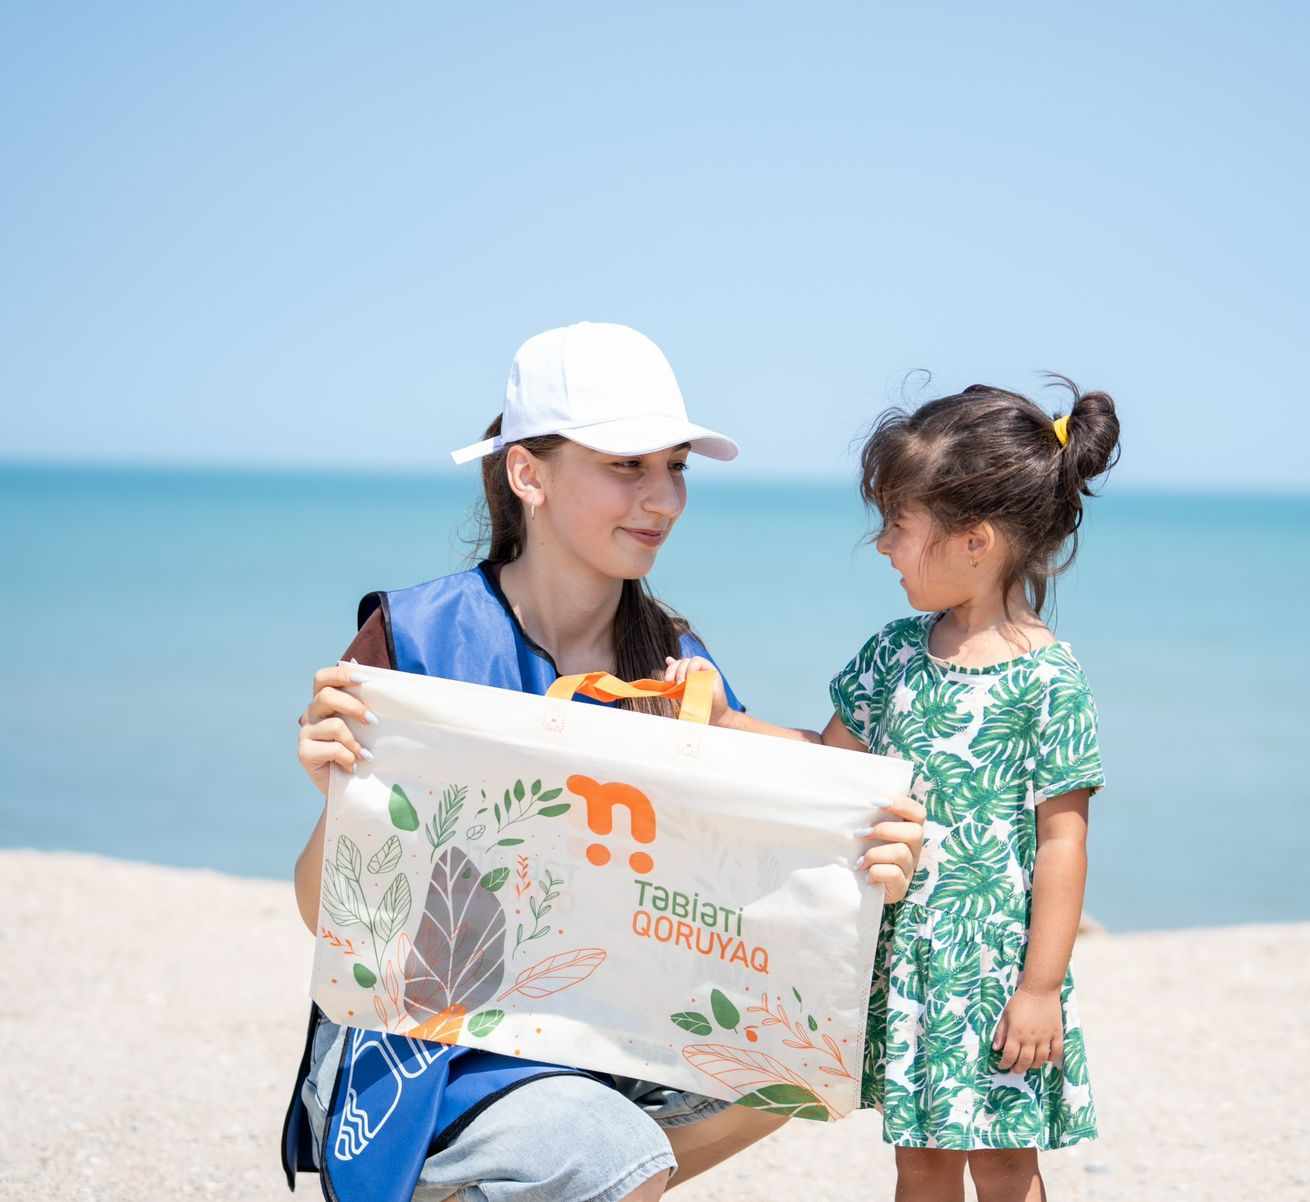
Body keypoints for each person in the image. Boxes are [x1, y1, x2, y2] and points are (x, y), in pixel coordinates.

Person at [280, 321, 926, 1202]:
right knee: (604, 1146)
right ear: (528, 474)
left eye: (676, 467)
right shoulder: (415, 641)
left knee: (794, 1064)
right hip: (423, 1053)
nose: (665, 499)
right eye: (627, 465)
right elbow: (327, 917)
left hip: (599, 1036)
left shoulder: (675, 664)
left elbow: (751, 885)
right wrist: (337, 797)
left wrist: (870, 853)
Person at [666, 378, 1120, 1202]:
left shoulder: (1049, 679)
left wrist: (1040, 989)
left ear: (974, 541)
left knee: (1006, 1161)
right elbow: (828, 762)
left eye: (899, 526)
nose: (882, 545)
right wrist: (726, 721)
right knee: (919, 1159)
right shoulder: (895, 654)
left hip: (997, 971)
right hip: (906, 962)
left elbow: (1064, 841)